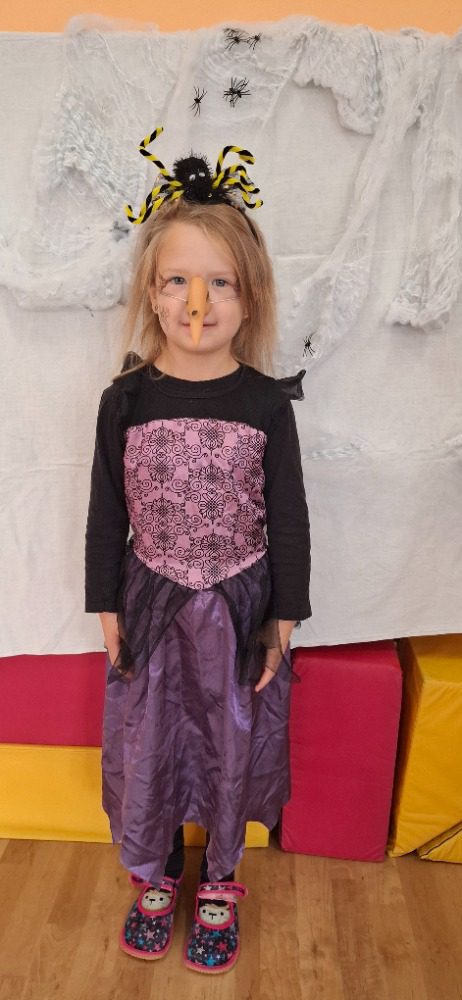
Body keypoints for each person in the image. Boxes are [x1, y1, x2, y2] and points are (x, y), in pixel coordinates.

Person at [85, 130, 311, 974]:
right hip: (151, 605)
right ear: (152, 291)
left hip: (239, 612)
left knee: (228, 742)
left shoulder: (266, 406)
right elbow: (106, 513)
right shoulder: (125, 400)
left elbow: (290, 518)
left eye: (220, 282)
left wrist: (285, 616)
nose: (197, 302)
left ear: (249, 298)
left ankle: (219, 878)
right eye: (177, 280)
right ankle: (156, 873)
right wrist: (105, 608)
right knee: (154, 742)